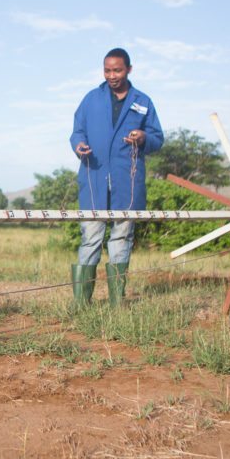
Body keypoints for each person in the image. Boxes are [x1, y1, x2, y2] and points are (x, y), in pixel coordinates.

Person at [69, 48, 163, 306]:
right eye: (107, 70)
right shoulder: (91, 99)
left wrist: (143, 138)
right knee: (91, 237)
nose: (112, 75)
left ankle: (116, 303)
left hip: (127, 183)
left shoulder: (143, 101)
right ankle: (81, 303)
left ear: (129, 69)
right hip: (93, 178)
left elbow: (157, 138)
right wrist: (79, 146)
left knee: (122, 237)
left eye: (117, 70)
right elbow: (76, 132)